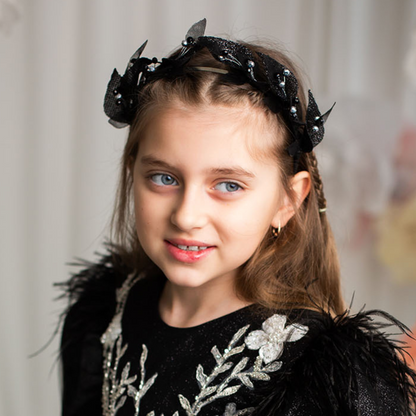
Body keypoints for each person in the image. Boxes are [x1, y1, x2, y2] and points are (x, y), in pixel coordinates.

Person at [59, 19, 416, 416]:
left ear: (287, 200)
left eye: (228, 185)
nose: (188, 215)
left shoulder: (329, 378)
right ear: (132, 171)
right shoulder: (103, 315)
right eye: (164, 178)